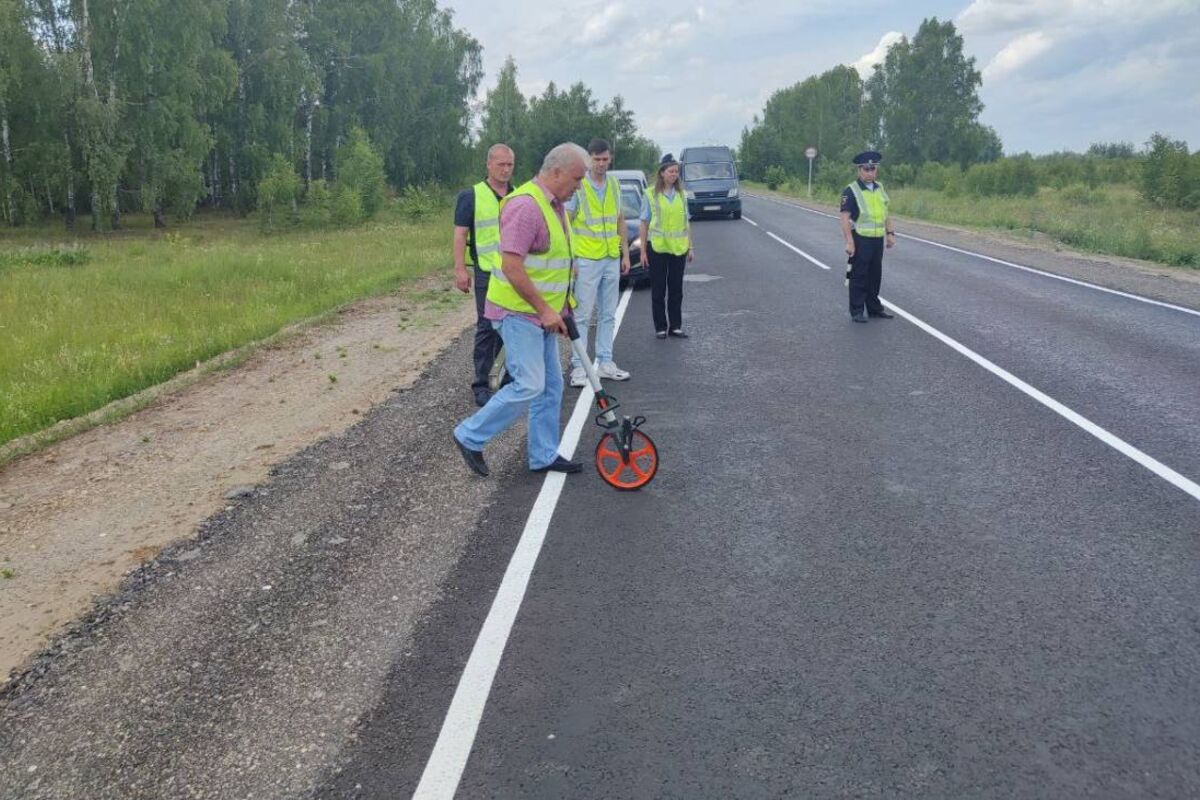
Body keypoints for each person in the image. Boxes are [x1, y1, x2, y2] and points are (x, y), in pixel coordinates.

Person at [452, 143, 590, 478]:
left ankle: (543, 454)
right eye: (576, 178)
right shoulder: (527, 205)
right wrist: (545, 310)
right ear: (556, 172)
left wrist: (562, 307)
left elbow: (553, 265)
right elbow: (512, 266)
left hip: (539, 314)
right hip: (516, 313)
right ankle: (469, 434)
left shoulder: (554, 204)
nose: (579, 186)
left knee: (551, 386)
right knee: (529, 383)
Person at [564, 138, 632, 388]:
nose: (601, 164)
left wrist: (625, 254)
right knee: (581, 315)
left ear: (610, 158)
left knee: (607, 314)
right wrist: (570, 260)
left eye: (605, 159)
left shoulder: (614, 184)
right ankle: (579, 366)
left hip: (610, 258)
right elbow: (566, 223)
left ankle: (605, 361)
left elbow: (620, 221)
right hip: (586, 260)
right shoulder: (580, 186)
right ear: (589, 159)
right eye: (597, 159)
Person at [453, 144, 515, 406]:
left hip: (514, 273)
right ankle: (481, 383)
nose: (505, 169)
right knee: (487, 327)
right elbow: (460, 234)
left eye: (510, 165)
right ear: (488, 165)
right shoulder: (472, 196)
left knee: (513, 327)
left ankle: (506, 376)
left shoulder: (519, 194)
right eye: (500, 164)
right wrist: (460, 269)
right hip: (487, 273)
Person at [639, 153, 694, 339]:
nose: (674, 175)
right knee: (659, 289)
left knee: (676, 289)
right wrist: (643, 252)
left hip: (678, 248)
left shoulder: (682, 195)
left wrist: (691, 247)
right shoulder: (650, 194)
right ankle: (661, 327)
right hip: (658, 248)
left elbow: (686, 223)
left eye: (676, 171)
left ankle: (675, 326)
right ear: (662, 173)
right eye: (671, 171)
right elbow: (644, 223)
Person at [839, 150, 896, 323]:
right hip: (861, 238)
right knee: (859, 275)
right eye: (867, 169)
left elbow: (886, 213)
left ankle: (874, 308)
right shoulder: (851, 190)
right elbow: (844, 218)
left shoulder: (880, 188)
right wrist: (849, 241)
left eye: (873, 169)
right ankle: (856, 310)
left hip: (877, 239)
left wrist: (890, 233)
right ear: (859, 170)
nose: (870, 172)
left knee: (875, 275)